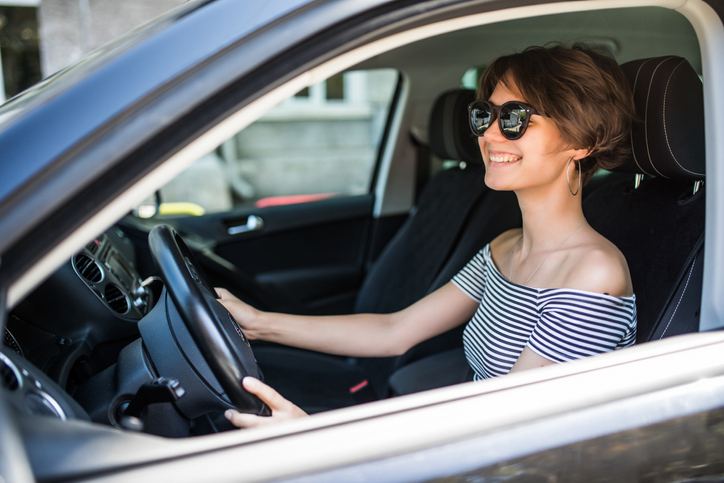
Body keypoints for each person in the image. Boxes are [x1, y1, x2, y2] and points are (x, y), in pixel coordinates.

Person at [217, 44, 638, 429]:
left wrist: (309, 435)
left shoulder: (594, 275)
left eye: (514, 118)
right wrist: (258, 324)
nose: (489, 134)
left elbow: (508, 427)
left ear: (583, 142)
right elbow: (394, 331)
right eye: (485, 115)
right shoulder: (506, 247)